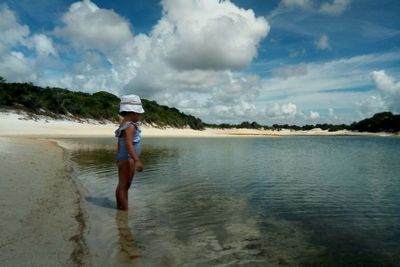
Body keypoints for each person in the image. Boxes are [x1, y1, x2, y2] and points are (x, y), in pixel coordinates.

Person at [115, 94, 145, 210]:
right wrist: (136, 160)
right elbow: (128, 143)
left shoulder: (123, 124)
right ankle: (124, 210)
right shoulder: (131, 126)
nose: (140, 116)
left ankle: (120, 207)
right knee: (125, 185)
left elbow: (119, 143)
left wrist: (118, 156)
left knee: (122, 185)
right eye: (139, 113)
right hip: (128, 159)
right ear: (133, 113)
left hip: (123, 158)